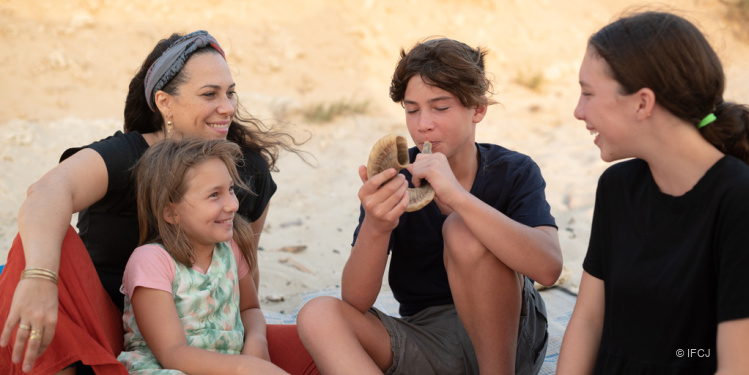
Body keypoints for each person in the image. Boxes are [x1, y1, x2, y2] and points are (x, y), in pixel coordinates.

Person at [0, 31, 318, 375]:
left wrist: (253, 351)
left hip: (208, 341)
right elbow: (46, 193)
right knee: (39, 245)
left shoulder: (245, 170)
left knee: (321, 344)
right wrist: (40, 278)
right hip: (108, 331)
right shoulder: (125, 156)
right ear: (164, 102)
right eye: (209, 94)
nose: (227, 108)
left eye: (230, 93)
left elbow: (242, 286)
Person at [297, 37, 563, 374]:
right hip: (428, 338)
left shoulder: (514, 170)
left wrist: (458, 200)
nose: (423, 124)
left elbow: (549, 268)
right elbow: (356, 301)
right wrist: (377, 226)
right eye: (411, 110)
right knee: (318, 313)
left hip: (510, 340)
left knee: (462, 231)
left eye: (440, 107)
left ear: (477, 109)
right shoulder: (396, 178)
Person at [556, 11, 749, 375]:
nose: (578, 111)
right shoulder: (616, 187)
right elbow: (588, 322)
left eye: (587, 93)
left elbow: (737, 364)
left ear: (642, 103)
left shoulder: (737, 200)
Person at [117, 137, 288, 374]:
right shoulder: (151, 261)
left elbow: (250, 309)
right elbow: (171, 353)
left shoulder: (230, 248)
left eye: (230, 189)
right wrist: (243, 367)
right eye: (214, 195)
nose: (232, 205)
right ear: (171, 211)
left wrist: (257, 342)